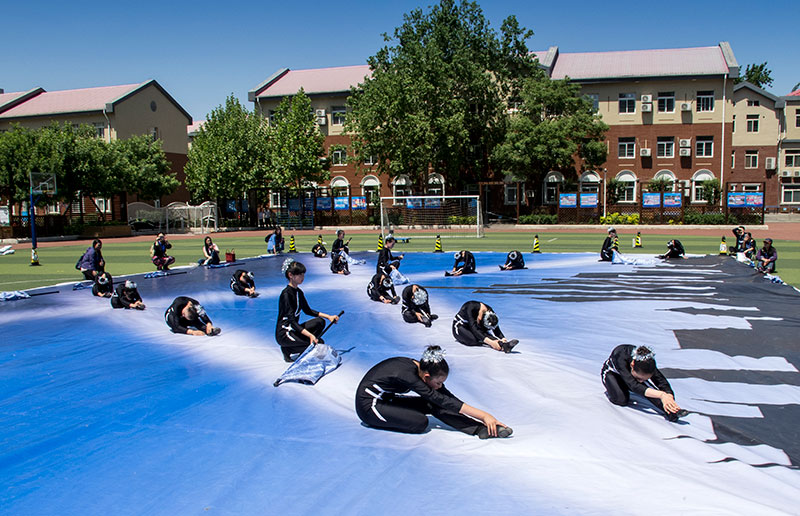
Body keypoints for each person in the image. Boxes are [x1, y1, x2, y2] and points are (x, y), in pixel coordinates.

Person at [355, 345, 513, 439]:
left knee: (433, 402)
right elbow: (440, 399)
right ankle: (482, 424)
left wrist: (483, 419)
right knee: (420, 422)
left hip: (388, 399)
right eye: (438, 383)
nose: (439, 386)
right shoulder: (408, 376)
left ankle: (479, 429)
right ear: (427, 377)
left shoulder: (422, 369)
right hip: (369, 407)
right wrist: (484, 414)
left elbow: (446, 396)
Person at [601, 344, 688, 422]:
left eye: (644, 379)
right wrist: (662, 395)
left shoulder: (647, 363)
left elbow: (662, 382)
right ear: (632, 365)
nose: (641, 381)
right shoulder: (620, 355)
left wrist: (669, 397)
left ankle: (672, 412)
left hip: (632, 379)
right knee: (621, 399)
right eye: (639, 378)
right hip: (612, 374)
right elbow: (634, 386)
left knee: (650, 390)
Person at [275, 259, 339, 362]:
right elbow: (292, 321)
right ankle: (288, 348)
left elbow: (308, 310)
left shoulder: (298, 292)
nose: (302, 277)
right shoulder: (286, 294)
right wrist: (310, 335)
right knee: (319, 344)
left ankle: (301, 344)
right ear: (290, 275)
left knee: (320, 321)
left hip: (294, 329)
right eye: (299, 275)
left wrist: (329, 317)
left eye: (303, 275)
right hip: (285, 333)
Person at [452, 300, 518, 353]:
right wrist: (491, 343)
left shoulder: (489, 312)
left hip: (474, 327)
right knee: (473, 340)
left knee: (484, 335)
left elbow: (495, 327)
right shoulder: (470, 307)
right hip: (460, 327)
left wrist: (503, 339)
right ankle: (495, 343)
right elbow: (474, 329)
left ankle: (505, 346)